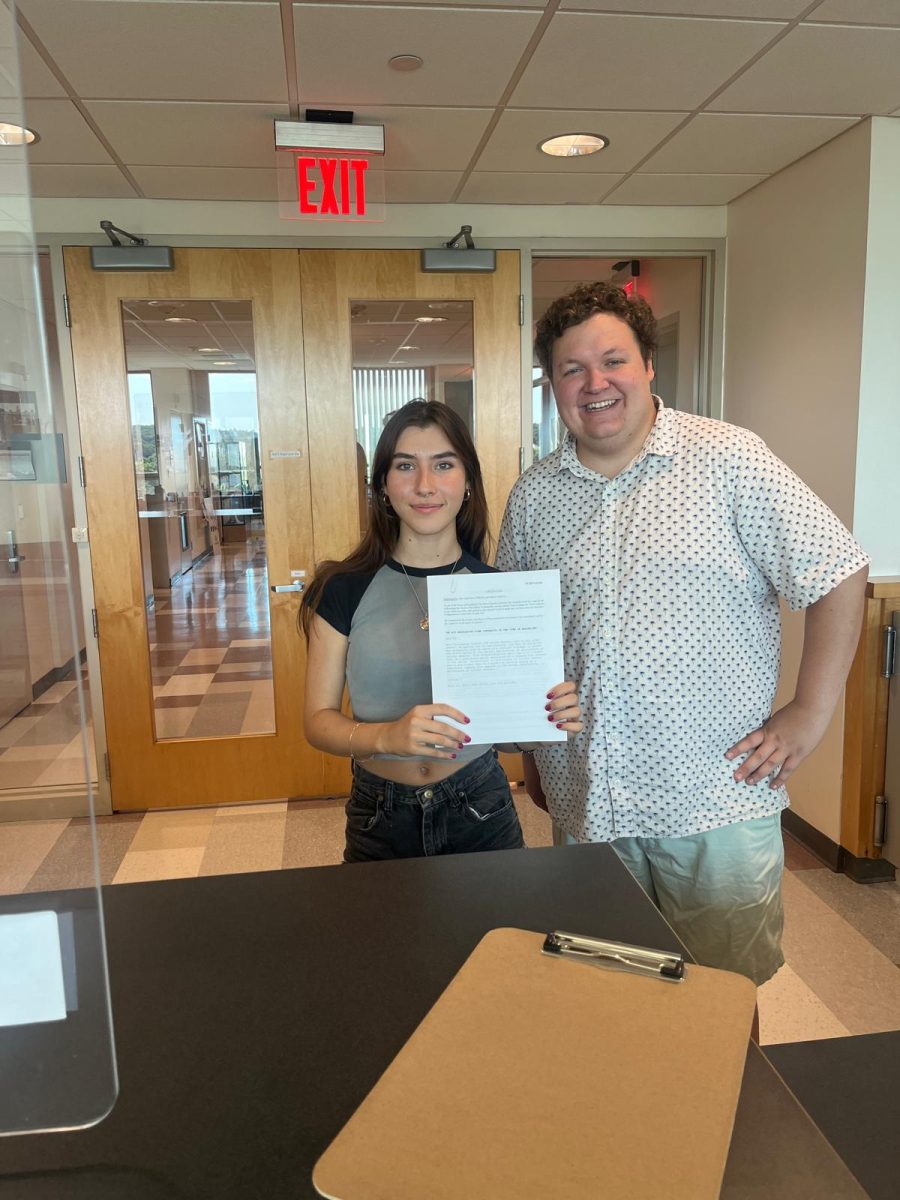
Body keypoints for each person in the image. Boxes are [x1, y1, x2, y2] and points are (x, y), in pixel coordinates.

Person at [497, 282, 869, 989]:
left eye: (613, 361)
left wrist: (809, 713)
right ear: (551, 384)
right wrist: (534, 757)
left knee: (721, 998)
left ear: (648, 367)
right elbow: (526, 631)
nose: (595, 383)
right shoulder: (534, 495)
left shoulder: (729, 459)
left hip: (713, 801)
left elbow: (839, 572)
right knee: (603, 990)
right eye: (572, 369)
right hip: (588, 800)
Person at [301, 400, 582, 863]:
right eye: (405, 465)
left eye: (444, 465)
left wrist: (543, 723)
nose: (425, 485)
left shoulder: (501, 591)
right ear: (383, 485)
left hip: (480, 807)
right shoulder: (343, 589)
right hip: (379, 812)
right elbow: (317, 721)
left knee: (497, 936)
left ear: (468, 482)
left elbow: (509, 737)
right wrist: (387, 737)